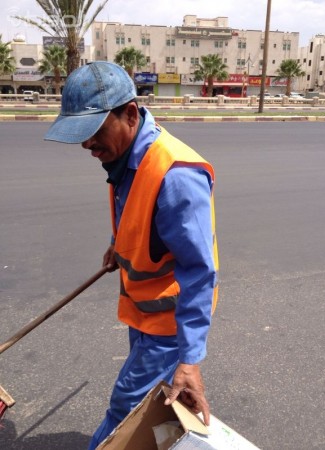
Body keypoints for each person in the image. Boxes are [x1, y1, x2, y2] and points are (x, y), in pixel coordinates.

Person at [45, 61, 219, 449]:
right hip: (143, 313)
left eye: (92, 131)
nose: (87, 145)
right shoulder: (125, 157)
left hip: (167, 324)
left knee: (127, 401)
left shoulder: (176, 175)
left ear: (129, 114)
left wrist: (190, 359)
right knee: (160, 398)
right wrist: (118, 243)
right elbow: (139, 215)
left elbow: (198, 271)